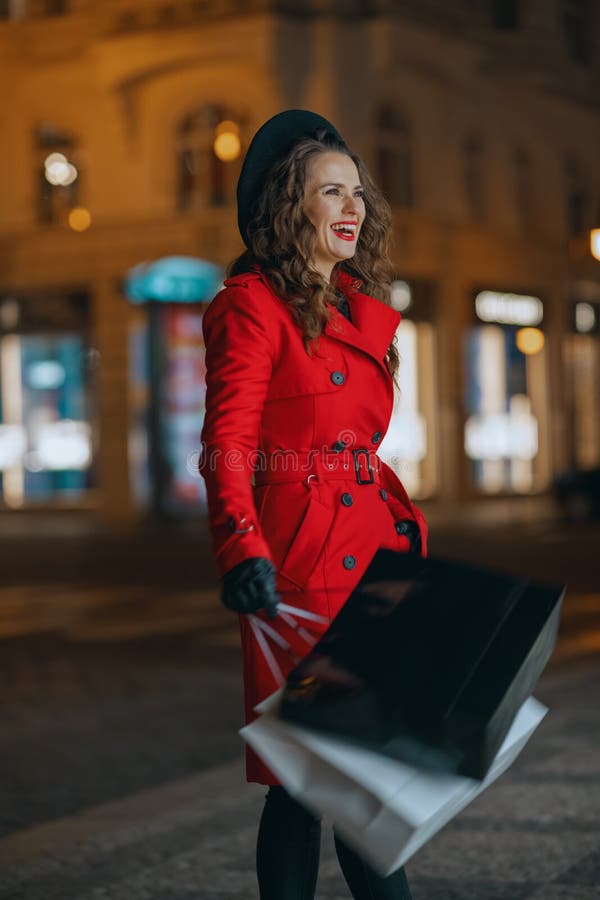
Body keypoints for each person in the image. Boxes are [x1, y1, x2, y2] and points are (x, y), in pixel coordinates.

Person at [199, 110, 428, 900]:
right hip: (298, 568)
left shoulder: (357, 308)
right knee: (315, 783)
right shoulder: (251, 306)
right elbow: (229, 442)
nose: (352, 207)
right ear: (287, 205)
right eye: (330, 192)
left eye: (357, 192)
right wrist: (241, 549)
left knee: (341, 778)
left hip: (373, 563)